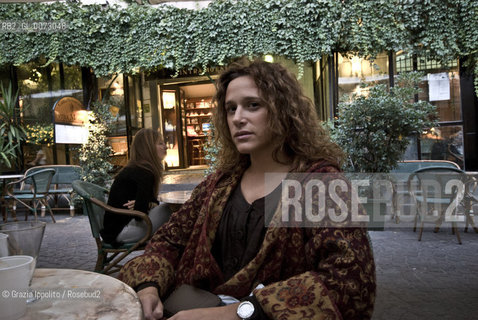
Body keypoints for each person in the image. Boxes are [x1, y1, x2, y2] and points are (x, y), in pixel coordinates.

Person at [119, 59, 376, 320]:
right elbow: (169, 240)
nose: (238, 118)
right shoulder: (219, 184)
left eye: (253, 105)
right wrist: (149, 287)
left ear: (283, 109)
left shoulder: (320, 183)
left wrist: (235, 314)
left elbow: (349, 283)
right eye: (231, 109)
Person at [100, 128, 171, 246]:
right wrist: (144, 204)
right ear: (148, 148)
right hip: (122, 232)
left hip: (117, 231)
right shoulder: (144, 173)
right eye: (160, 143)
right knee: (169, 209)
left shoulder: (138, 169)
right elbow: (140, 213)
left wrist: (146, 203)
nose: (165, 146)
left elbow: (151, 203)